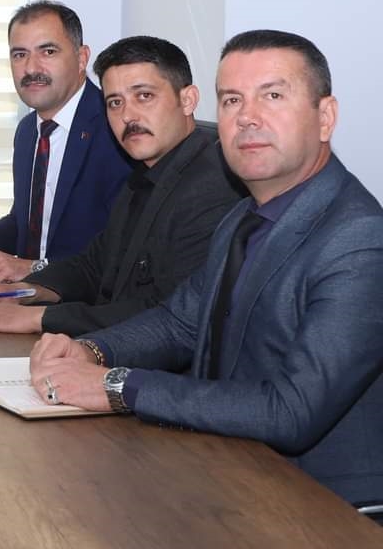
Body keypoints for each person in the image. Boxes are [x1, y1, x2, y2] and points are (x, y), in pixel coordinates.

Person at [29, 31, 383, 507]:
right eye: (232, 100)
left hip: (323, 508)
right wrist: (90, 350)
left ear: (325, 117)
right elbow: (180, 322)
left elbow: (291, 412)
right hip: (228, 472)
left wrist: (117, 385)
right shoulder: (244, 216)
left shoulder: (360, 240)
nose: (247, 117)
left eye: (272, 96)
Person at [0, 36, 244, 335]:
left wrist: (38, 318)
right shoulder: (146, 173)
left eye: (144, 96)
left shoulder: (213, 188)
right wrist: (25, 292)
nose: (127, 116)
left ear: (188, 100)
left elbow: (166, 315)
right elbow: (94, 265)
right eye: (115, 103)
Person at [0, 1, 130, 281]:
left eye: (48, 51)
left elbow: (123, 250)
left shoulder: (115, 127)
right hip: (28, 296)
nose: (31, 68)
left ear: (82, 59)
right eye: (20, 54)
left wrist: (35, 268)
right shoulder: (29, 131)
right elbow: (27, 226)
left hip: (85, 301)